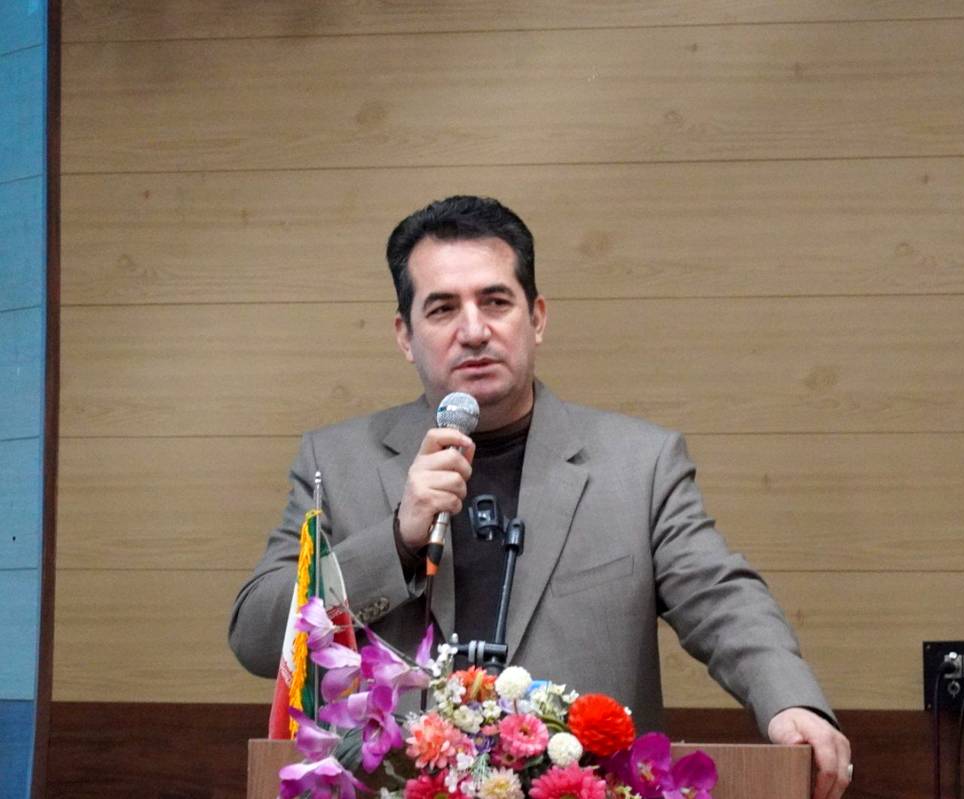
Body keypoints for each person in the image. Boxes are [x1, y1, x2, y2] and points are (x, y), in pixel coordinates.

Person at [229, 195, 852, 799]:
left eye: (495, 301)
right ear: (405, 335)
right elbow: (258, 637)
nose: (474, 331)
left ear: (538, 317)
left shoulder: (639, 465)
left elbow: (722, 598)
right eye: (442, 309)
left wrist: (788, 700)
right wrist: (396, 539)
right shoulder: (337, 463)